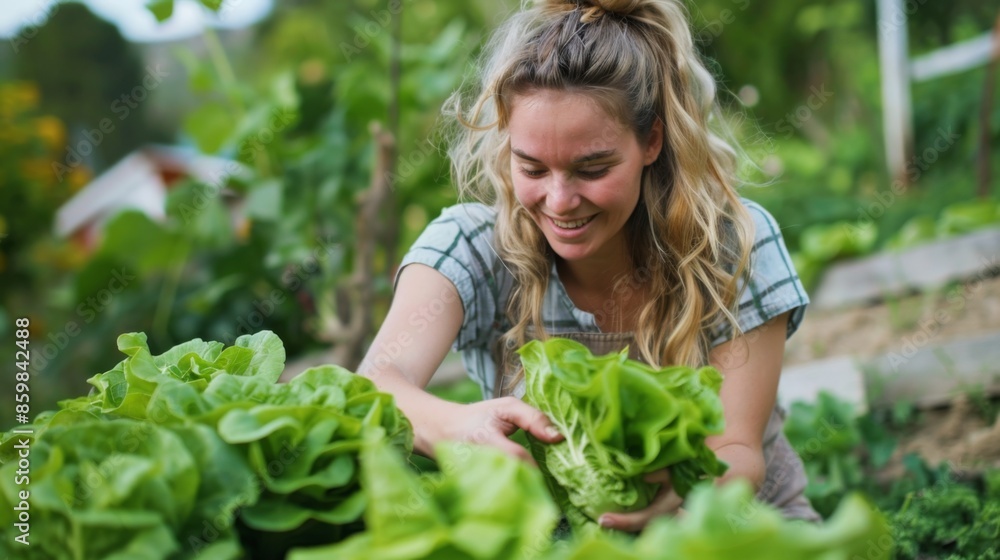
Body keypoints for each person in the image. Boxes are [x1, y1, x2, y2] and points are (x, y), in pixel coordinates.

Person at [358, 0, 821, 532]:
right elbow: (377, 383)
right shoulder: (472, 247)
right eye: (532, 166)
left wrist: (684, 489)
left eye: (592, 168)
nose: (559, 200)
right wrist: (455, 425)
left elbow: (737, 449)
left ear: (651, 141)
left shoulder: (731, 244)